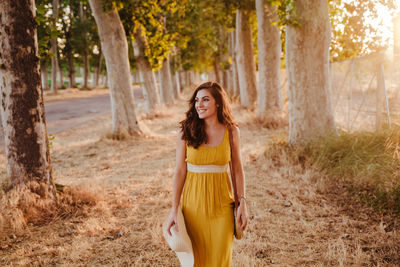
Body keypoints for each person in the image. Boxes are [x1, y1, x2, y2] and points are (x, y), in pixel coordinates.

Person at [166, 81, 248, 266]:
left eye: (205, 100)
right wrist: (174, 209)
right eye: (196, 100)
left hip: (222, 207)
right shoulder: (185, 131)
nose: (199, 105)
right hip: (192, 207)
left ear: (218, 103)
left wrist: (242, 201)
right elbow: (179, 171)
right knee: (196, 261)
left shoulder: (232, 131)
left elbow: (237, 169)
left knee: (220, 259)